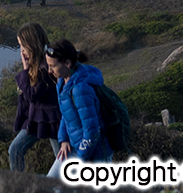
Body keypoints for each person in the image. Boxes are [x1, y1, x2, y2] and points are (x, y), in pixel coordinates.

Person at [45, 39, 111, 178]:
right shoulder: (62, 82)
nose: (49, 71)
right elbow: (66, 114)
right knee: (50, 182)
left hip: (94, 155)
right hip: (74, 147)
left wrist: (80, 161)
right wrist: (63, 139)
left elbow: (92, 132)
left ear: (67, 63)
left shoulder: (80, 90)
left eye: (53, 66)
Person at [9, 23, 61, 172]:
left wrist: (25, 70)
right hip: (37, 118)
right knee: (15, 150)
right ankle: (18, 185)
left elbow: (32, 95)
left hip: (52, 119)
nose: (22, 51)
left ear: (32, 45)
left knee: (62, 159)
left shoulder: (47, 66)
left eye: (23, 46)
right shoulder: (38, 63)